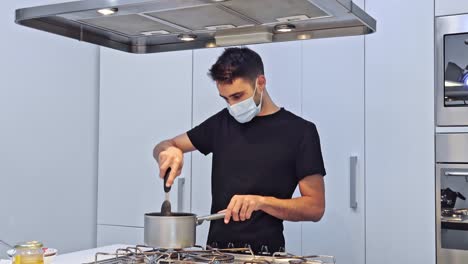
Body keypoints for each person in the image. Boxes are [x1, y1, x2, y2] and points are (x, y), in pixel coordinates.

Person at [153, 47, 326, 255]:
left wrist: (261, 202)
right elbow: (164, 145)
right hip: (214, 255)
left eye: (237, 96)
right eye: (225, 99)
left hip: (266, 256)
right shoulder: (221, 123)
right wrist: (170, 151)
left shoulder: (300, 132)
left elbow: (315, 207)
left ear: (260, 83)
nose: (232, 106)